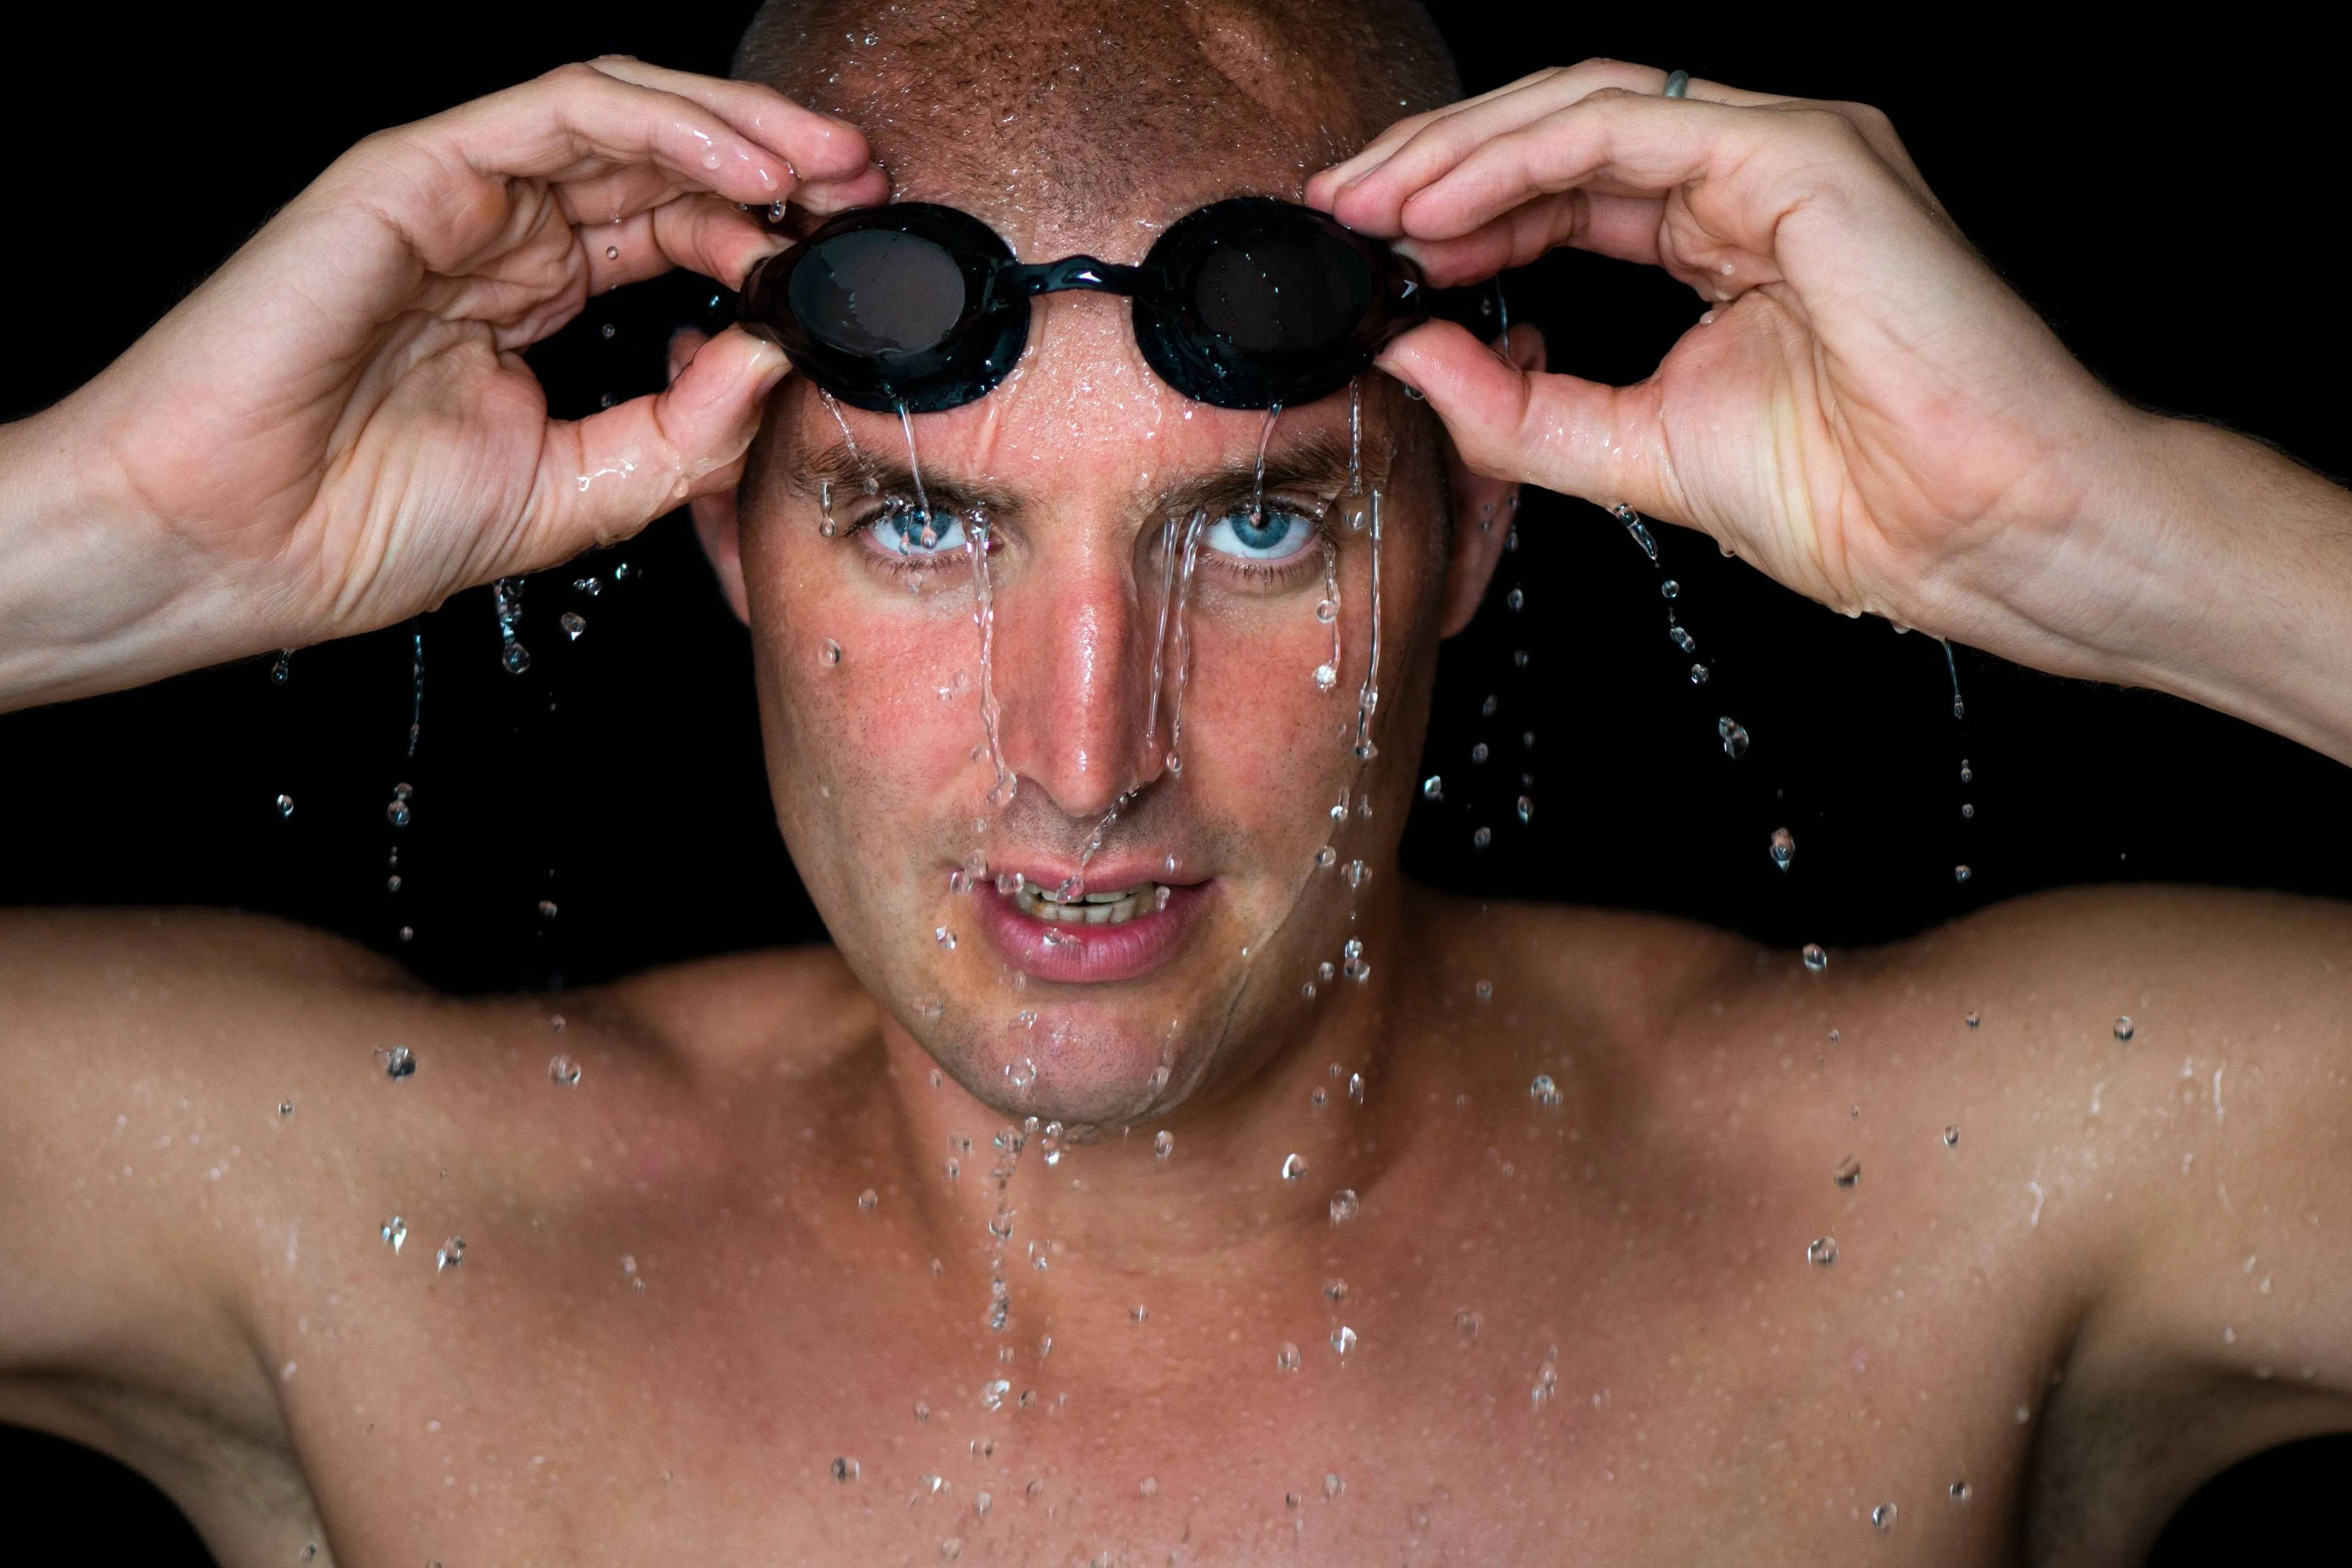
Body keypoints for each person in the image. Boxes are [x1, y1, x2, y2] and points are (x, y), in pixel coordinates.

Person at [2, 2, 2347, 1561]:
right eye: (926, 522)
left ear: (1468, 536)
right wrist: (91, 546)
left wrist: (2119, 537)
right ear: (720, 530)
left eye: (1254, 524)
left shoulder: (1966, 1189)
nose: (1086, 753)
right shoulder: (345, 1216)